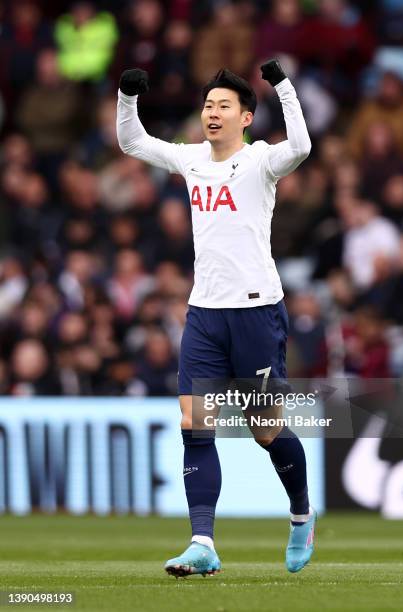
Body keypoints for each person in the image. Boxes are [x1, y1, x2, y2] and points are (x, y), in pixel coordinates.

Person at [116, 60, 314, 577]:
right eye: (208, 105)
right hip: (204, 313)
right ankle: (202, 541)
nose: (213, 113)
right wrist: (127, 96)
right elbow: (134, 143)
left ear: (246, 117)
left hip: (256, 313)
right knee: (194, 424)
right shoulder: (190, 159)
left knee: (265, 432)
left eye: (224, 106)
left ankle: (300, 516)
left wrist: (285, 87)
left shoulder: (261, 161)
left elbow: (303, 148)